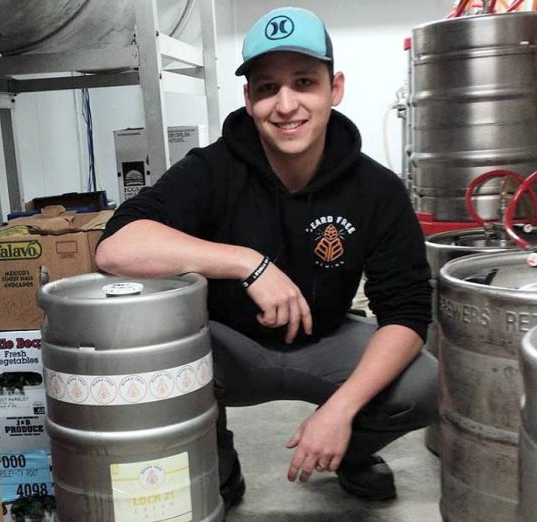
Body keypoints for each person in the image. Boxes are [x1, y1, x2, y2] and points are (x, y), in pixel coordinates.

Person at [96, 5, 437, 512]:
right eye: (266, 87)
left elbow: (407, 312)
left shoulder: (376, 189)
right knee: (147, 348)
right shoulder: (212, 169)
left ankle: (348, 449)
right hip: (226, 354)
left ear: (334, 88)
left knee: (423, 383)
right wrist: (246, 263)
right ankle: (216, 452)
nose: (286, 104)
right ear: (248, 99)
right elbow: (116, 247)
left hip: (323, 342)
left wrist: (340, 410)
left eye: (304, 82)